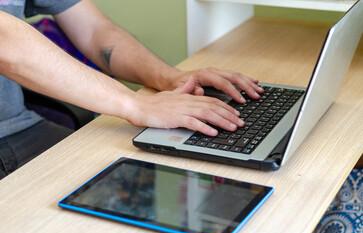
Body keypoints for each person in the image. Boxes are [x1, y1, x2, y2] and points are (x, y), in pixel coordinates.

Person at [0, 0, 264, 179]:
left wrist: (173, 78)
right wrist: (136, 104)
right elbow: (5, 42)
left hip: (21, 127)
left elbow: (94, 30)